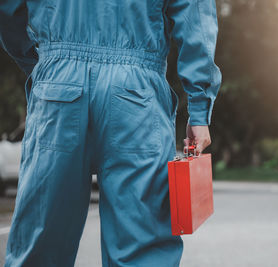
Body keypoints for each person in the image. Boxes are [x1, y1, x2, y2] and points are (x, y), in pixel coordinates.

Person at [0, 0, 221, 265]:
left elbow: (8, 10)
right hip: (136, 94)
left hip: (56, 88)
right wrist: (199, 107)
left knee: (40, 239)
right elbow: (194, 11)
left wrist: (45, 63)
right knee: (142, 244)